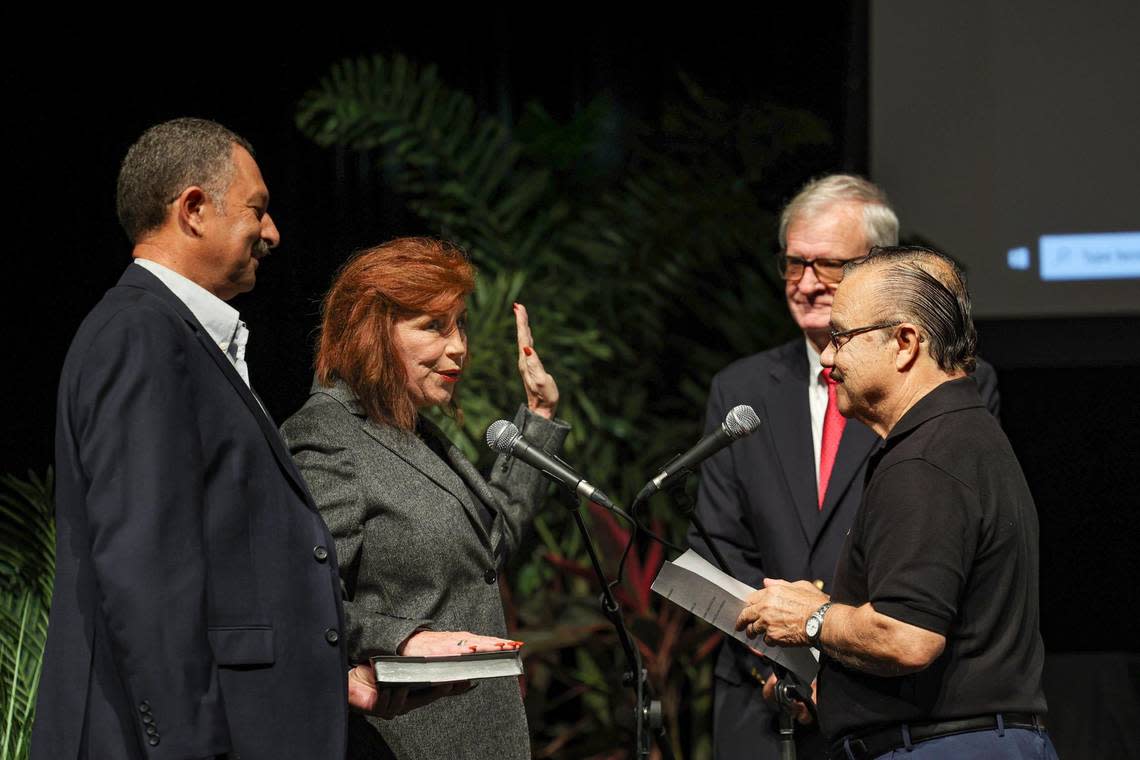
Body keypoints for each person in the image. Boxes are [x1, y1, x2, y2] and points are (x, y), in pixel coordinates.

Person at [31, 117, 414, 760]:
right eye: (257, 210)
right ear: (193, 209)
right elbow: (144, 567)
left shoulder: (178, 336)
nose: (273, 233)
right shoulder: (142, 336)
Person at [687, 175, 1000, 758]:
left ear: (878, 267)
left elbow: (937, 547)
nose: (807, 284)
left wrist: (826, 649)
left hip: (887, 702)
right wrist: (779, 664)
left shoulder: (948, 387)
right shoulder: (740, 388)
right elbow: (720, 545)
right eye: (793, 264)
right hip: (763, 700)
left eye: (829, 266)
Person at [735, 246, 1056, 759]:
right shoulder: (965, 436)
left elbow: (908, 636)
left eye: (841, 337)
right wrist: (842, 695)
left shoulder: (927, 457)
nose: (828, 356)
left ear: (905, 342)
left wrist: (813, 618)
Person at [282, 237, 568, 760]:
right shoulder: (328, 436)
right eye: (434, 326)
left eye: (459, 324)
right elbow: (300, 602)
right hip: (404, 740)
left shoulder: (411, 429)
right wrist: (402, 639)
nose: (458, 345)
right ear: (372, 333)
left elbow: (488, 546)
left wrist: (539, 420)